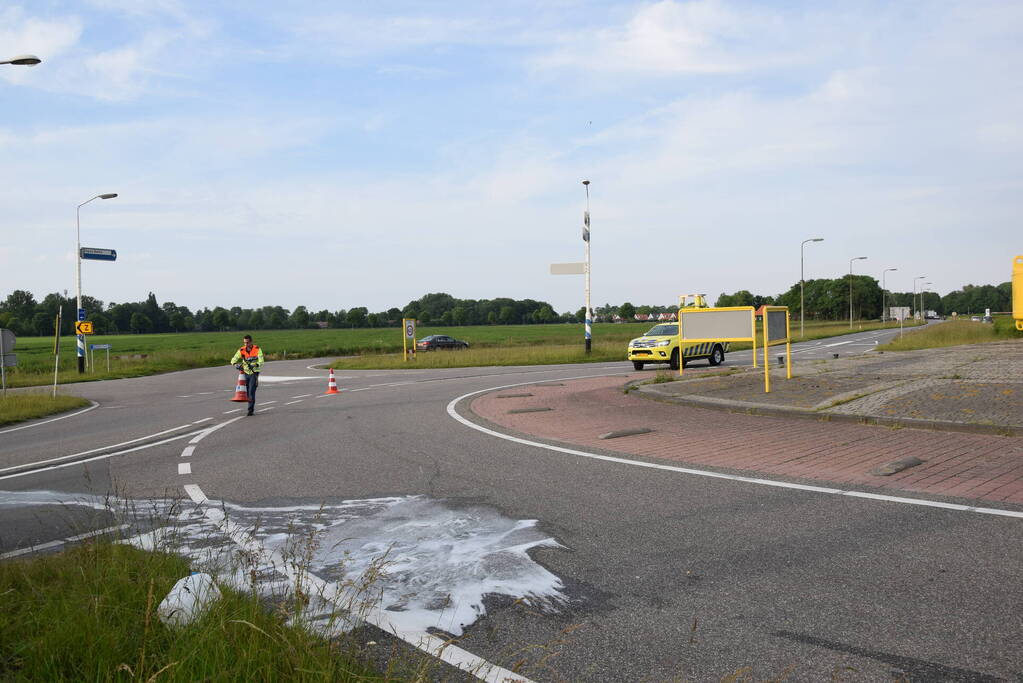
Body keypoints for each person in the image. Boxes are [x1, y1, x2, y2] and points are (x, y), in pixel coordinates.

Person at [230, 334, 264, 415]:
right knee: (248, 392)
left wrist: (255, 364)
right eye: (244, 343)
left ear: (251, 342)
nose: (246, 344)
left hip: (254, 373)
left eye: (247, 342)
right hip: (245, 373)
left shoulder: (257, 349)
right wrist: (235, 364)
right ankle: (250, 407)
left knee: (251, 391)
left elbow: (261, 361)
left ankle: (250, 410)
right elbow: (233, 359)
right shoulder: (241, 350)